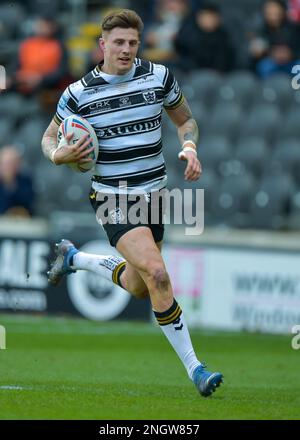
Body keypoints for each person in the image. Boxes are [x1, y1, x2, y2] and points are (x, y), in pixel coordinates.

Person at [41, 9, 223, 397]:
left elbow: (185, 120)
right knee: (158, 274)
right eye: (118, 42)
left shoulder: (158, 77)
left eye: (133, 43)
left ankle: (76, 259)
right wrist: (59, 155)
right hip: (112, 196)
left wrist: (189, 147)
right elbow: (49, 138)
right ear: (102, 44)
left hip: (154, 195)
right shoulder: (78, 94)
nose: (126, 50)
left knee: (140, 285)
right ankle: (196, 368)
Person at [174, 1, 235, 72]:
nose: (207, 20)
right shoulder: (189, 35)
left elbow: (224, 62)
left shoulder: (223, 37)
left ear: (218, 19)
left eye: (210, 17)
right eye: (204, 16)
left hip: (218, 75)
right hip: (191, 73)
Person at [0, 145, 34, 217]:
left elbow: (27, 203)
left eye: (10, 164)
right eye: (5, 164)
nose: (7, 168)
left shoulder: (26, 181)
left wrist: (11, 184)